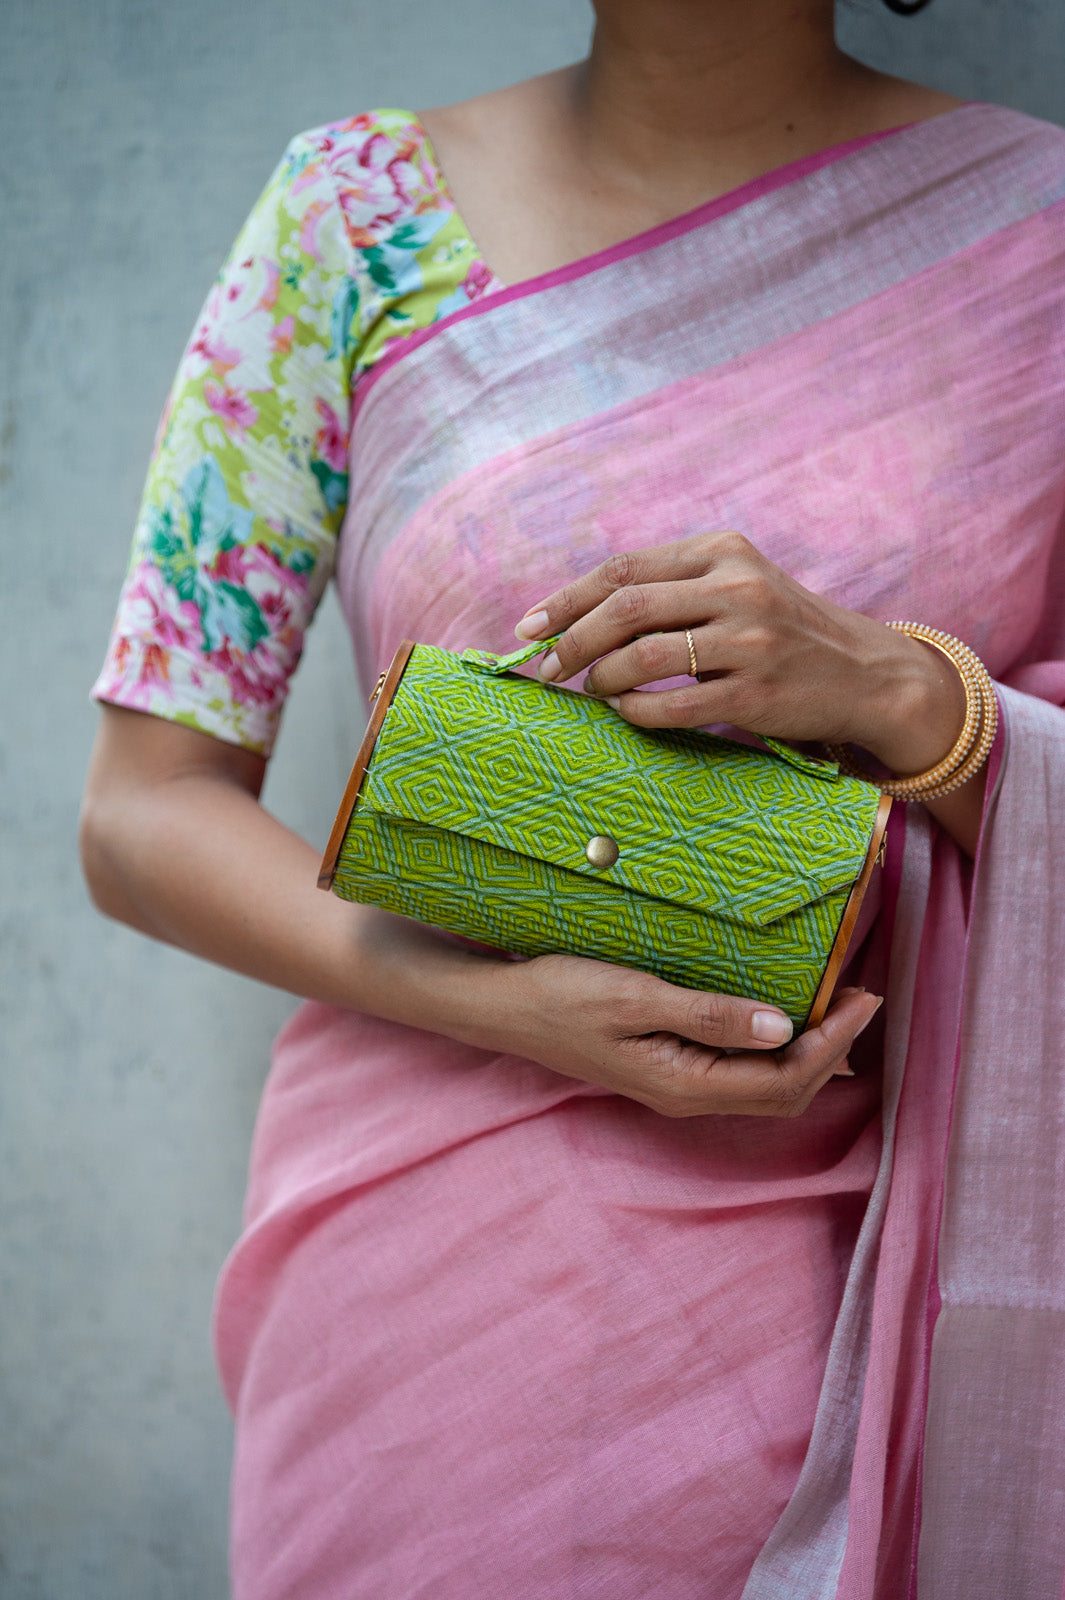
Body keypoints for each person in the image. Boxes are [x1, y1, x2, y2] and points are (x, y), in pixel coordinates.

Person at [79, 0, 1065, 1593]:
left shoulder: (1039, 243)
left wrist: (898, 691)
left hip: (877, 1287)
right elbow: (141, 812)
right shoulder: (350, 223)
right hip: (433, 1299)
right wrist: (489, 1005)